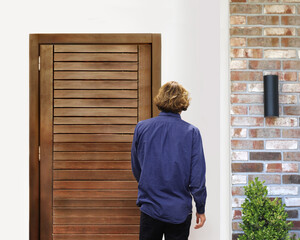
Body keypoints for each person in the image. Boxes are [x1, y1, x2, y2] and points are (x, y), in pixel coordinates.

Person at [131, 81, 207, 240]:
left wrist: (149, 185)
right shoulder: (192, 132)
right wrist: (200, 207)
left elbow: (137, 167)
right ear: (183, 102)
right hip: (178, 210)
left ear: (160, 99)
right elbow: (197, 178)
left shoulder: (142, 128)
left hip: (150, 207)